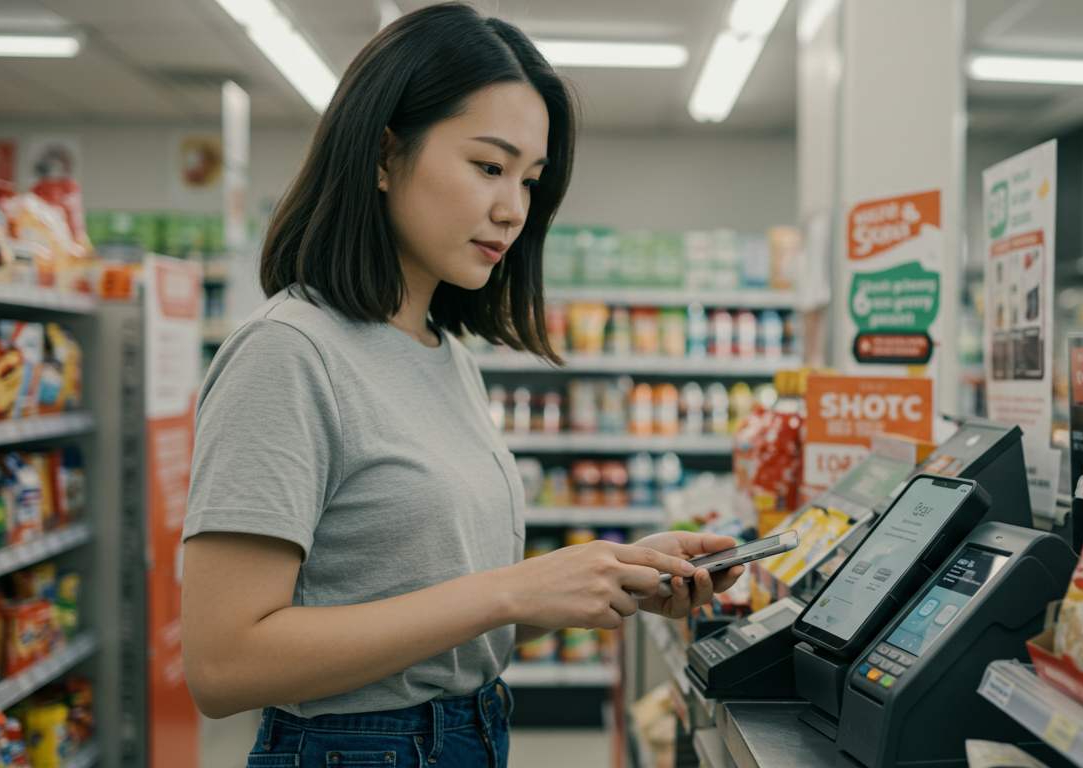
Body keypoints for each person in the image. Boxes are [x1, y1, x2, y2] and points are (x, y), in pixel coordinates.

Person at [179, 5, 744, 766]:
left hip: (468, 734)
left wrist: (603, 576)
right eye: (488, 166)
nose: (513, 210)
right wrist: (510, 592)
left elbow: (428, 618)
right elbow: (223, 664)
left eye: (530, 180)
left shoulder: (442, 352)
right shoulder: (288, 353)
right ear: (384, 154)